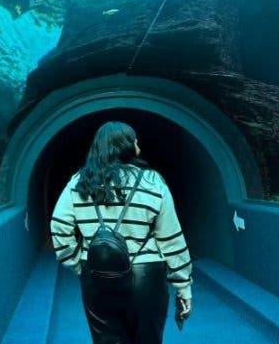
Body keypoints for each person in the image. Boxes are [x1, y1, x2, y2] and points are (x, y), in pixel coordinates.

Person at [50, 121, 192, 344]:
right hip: (147, 277)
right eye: (135, 140)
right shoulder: (153, 182)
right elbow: (171, 238)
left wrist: (78, 264)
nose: (138, 145)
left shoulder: (78, 182)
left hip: (97, 276)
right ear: (126, 145)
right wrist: (183, 286)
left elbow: (59, 227)